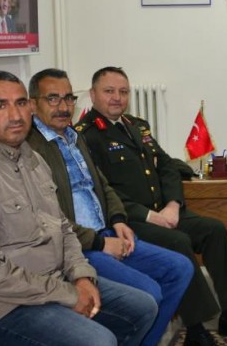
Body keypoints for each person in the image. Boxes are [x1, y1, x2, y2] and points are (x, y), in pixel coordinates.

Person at [0, 71, 157, 346]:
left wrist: (82, 275)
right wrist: (68, 294)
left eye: (20, 103)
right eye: (0, 105)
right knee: (98, 341)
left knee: (143, 308)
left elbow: (63, 227)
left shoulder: (31, 158)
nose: (15, 115)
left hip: (51, 283)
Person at [78, 67, 227, 346]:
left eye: (123, 91)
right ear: (93, 94)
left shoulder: (136, 125)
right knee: (178, 241)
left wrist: (172, 204)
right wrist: (150, 215)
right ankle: (196, 329)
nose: (117, 97)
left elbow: (167, 166)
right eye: (109, 91)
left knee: (214, 230)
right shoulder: (85, 135)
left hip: (163, 211)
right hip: (129, 221)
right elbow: (102, 190)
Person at [26, 68, 194, 346]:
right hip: (78, 247)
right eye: (53, 99)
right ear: (33, 104)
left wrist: (118, 219)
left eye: (68, 98)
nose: (63, 107)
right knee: (149, 292)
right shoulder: (29, 150)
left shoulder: (73, 136)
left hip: (107, 231)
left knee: (180, 268)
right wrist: (100, 243)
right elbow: (48, 219)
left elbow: (101, 184)